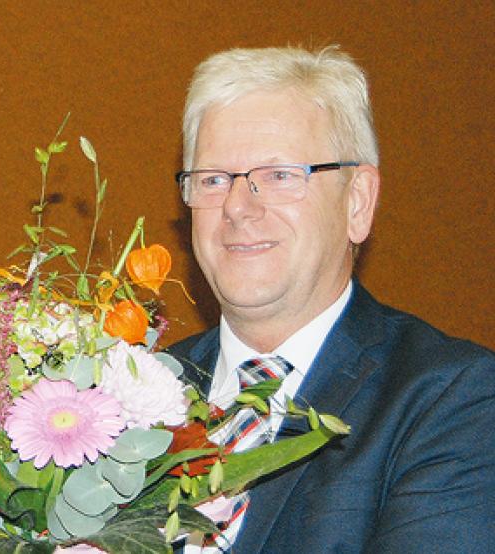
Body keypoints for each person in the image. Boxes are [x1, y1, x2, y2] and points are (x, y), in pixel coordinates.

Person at [169, 45, 495, 553]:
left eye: (278, 176)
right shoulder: (123, 394)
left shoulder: (451, 400)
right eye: (212, 180)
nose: (236, 207)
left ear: (357, 202)